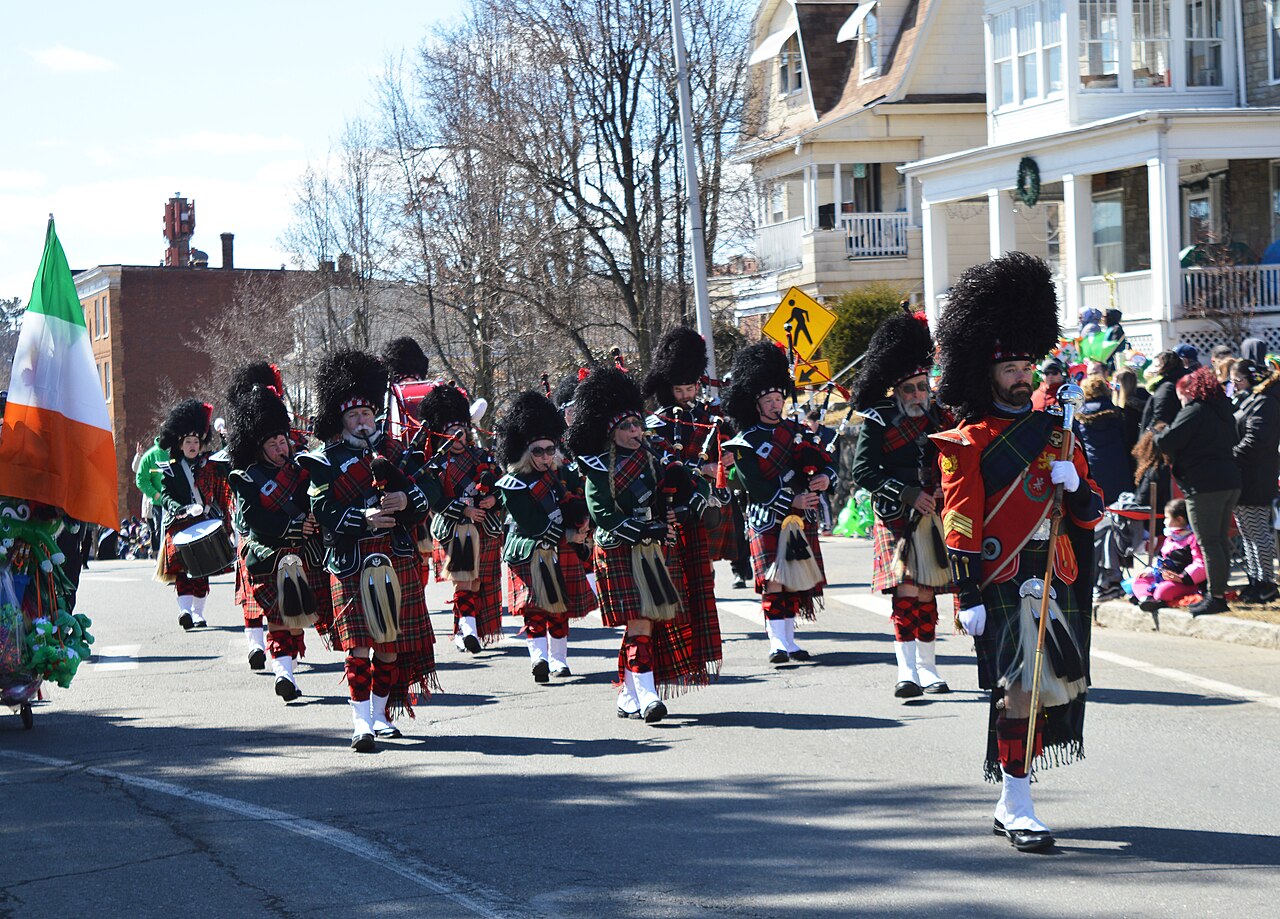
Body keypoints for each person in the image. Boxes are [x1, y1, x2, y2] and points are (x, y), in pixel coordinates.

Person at [932, 252, 1105, 854]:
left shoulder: (1058, 428)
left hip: (1053, 572)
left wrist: (1076, 482)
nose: (1022, 375)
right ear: (987, 373)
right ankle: (1019, 800)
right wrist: (966, 593)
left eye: (1027, 364)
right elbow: (959, 520)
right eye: (1010, 367)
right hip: (1000, 577)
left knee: (1045, 686)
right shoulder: (966, 440)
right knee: (1020, 687)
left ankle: (1011, 795)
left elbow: (1090, 515)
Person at [298, 349, 440, 752]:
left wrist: (404, 498)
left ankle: (380, 714)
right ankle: (360, 721)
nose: (363, 422)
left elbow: (427, 494)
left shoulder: (399, 453)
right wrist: (363, 518)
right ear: (340, 420)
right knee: (359, 645)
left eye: (367, 415)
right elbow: (321, 508)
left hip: (395, 554)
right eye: (354, 417)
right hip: (352, 559)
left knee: (390, 643)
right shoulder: (324, 459)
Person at [568, 367, 705, 723]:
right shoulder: (597, 467)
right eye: (626, 427)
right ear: (610, 432)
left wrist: (681, 505)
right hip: (619, 550)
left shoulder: (654, 458)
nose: (635, 432)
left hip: (656, 551)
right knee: (641, 624)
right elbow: (602, 514)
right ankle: (648, 698)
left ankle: (628, 694)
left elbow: (676, 496)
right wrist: (645, 529)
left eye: (636, 425)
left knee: (642, 626)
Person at [851, 306, 953, 698]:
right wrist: (909, 493)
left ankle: (929, 668)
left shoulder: (942, 419)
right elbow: (863, 472)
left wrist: (944, 489)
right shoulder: (877, 420)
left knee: (927, 592)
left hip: (934, 514)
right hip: (896, 514)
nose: (917, 394)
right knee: (906, 593)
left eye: (922, 387)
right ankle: (906, 670)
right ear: (896, 390)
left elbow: (954, 463)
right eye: (909, 388)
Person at [722, 342, 835, 663]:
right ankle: (777, 643)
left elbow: (827, 463)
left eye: (778, 399)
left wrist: (824, 478)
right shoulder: (746, 440)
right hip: (766, 517)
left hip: (800, 518)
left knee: (793, 582)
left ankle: (791, 640)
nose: (775, 405)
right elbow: (753, 483)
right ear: (755, 404)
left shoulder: (799, 431)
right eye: (768, 401)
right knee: (773, 582)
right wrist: (793, 497)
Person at [227, 380, 334, 701]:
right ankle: (283, 674)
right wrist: (291, 528)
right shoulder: (246, 478)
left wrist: (315, 515)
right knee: (277, 621)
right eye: (272, 444)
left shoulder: (304, 469)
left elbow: (320, 498)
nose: (280, 448)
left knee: (297, 620)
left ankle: (288, 668)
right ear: (258, 447)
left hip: (307, 556)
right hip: (269, 555)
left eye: (282, 441)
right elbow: (253, 520)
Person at [496, 390, 597, 682]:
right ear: (526, 451)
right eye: (538, 451)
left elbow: (582, 503)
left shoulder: (566, 475)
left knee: (560, 608)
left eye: (549, 449)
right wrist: (570, 535)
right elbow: (530, 523)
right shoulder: (513, 483)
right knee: (535, 608)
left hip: (562, 548)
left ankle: (559, 660)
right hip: (529, 548)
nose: (545, 456)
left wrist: (582, 526)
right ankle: (539, 658)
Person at [642, 327, 725, 683]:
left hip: (697, 514)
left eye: (691, 388)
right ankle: (668, 663)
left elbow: (729, 462)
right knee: (669, 593)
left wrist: (718, 466)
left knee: (699, 587)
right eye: (679, 389)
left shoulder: (710, 421)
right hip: (668, 517)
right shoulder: (651, 426)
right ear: (666, 389)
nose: (687, 395)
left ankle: (694, 660)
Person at [422, 383, 505, 655]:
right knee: (464, 578)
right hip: (453, 528)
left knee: (477, 582)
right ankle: (469, 629)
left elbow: (502, 488)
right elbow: (435, 500)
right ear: (442, 434)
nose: (458, 436)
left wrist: (494, 500)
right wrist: (465, 511)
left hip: (484, 527)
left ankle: (462, 630)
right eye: (452, 432)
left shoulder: (482, 457)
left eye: (462, 431)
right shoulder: (434, 463)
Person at [1155, 367, 1241, 616]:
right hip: (1229, 480)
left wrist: (1159, 430)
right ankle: (1219, 591)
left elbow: (1167, 441)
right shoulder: (1222, 409)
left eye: (1181, 396)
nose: (1180, 401)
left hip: (1204, 484)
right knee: (1220, 540)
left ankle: (1215, 597)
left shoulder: (1194, 411)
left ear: (1189, 392)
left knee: (1209, 541)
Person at [155, 399, 230, 630]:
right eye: (188, 441)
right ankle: (185, 611)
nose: (192, 445)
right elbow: (165, 495)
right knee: (183, 571)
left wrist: (225, 438)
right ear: (180, 444)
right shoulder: (170, 467)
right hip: (180, 522)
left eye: (196, 441)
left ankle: (198, 613)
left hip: (205, 521)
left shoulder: (209, 463)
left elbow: (228, 461)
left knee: (202, 570)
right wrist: (178, 508)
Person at [1076, 377, 1132, 602]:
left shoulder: (1079, 416)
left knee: (1098, 522)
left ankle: (1101, 573)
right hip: (1118, 470)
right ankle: (1113, 570)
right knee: (1117, 521)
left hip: (1094, 469)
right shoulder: (1117, 413)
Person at [1230, 358, 1280, 603]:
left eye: (1237, 380)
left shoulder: (1266, 403)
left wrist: (1228, 457)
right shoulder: (1251, 400)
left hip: (1256, 477)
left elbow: (1255, 441)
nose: (1234, 385)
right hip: (1245, 475)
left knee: (1258, 532)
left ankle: (1267, 583)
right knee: (1247, 532)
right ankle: (1254, 579)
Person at [1132, 499, 1206, 612]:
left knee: (1163, 591)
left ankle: (1149, 597)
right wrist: (1151, 570)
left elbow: (1200, 564)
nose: (1164, 521)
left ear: (1180, 519)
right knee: (1138, 581)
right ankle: (1147, 599)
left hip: (1187, 582)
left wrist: (1182, 578)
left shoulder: (1193, 538)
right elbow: (1163, 559)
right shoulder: (1171, 537)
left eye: (1167, 518)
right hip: (1165, 577)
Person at [135, 437, 168, 556]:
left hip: (177, 502)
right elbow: (139, 476)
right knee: (156, 529)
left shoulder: (180, 450)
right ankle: (158, 554)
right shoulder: (150, 456)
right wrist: (156, 495)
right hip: (157, 503)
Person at [1140, 350, 1189, 432]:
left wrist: (1145, 437)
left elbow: (1159, 419)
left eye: (1156, 366)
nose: (1153, 370)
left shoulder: (1166, 388)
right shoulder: (1181, 380)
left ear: (1165, 367)